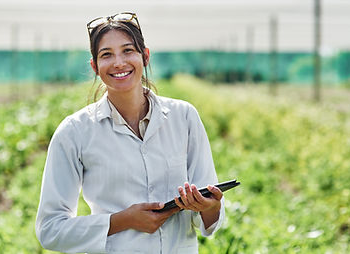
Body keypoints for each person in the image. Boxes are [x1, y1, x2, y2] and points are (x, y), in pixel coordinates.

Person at [35, 12, 225, 254]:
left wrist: (209, 207)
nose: (119, 63)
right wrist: (121, 221)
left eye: (128, 51)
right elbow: (50, 230)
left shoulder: (184, 117)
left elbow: (209, 220)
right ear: (95, 66)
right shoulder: (75, 132)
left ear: (144, 56)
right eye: (106, 55)